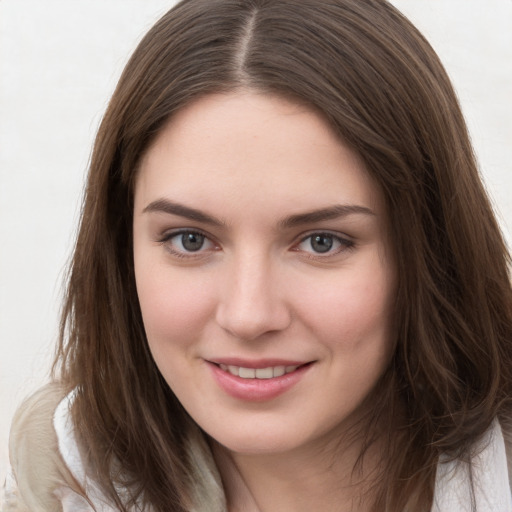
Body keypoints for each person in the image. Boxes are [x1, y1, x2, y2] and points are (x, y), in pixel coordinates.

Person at [4, 0, 512, 511]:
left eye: (321, 242)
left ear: (430, 249)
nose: (248, 316)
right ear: (122, 251)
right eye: (191, 240)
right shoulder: (63, 481)